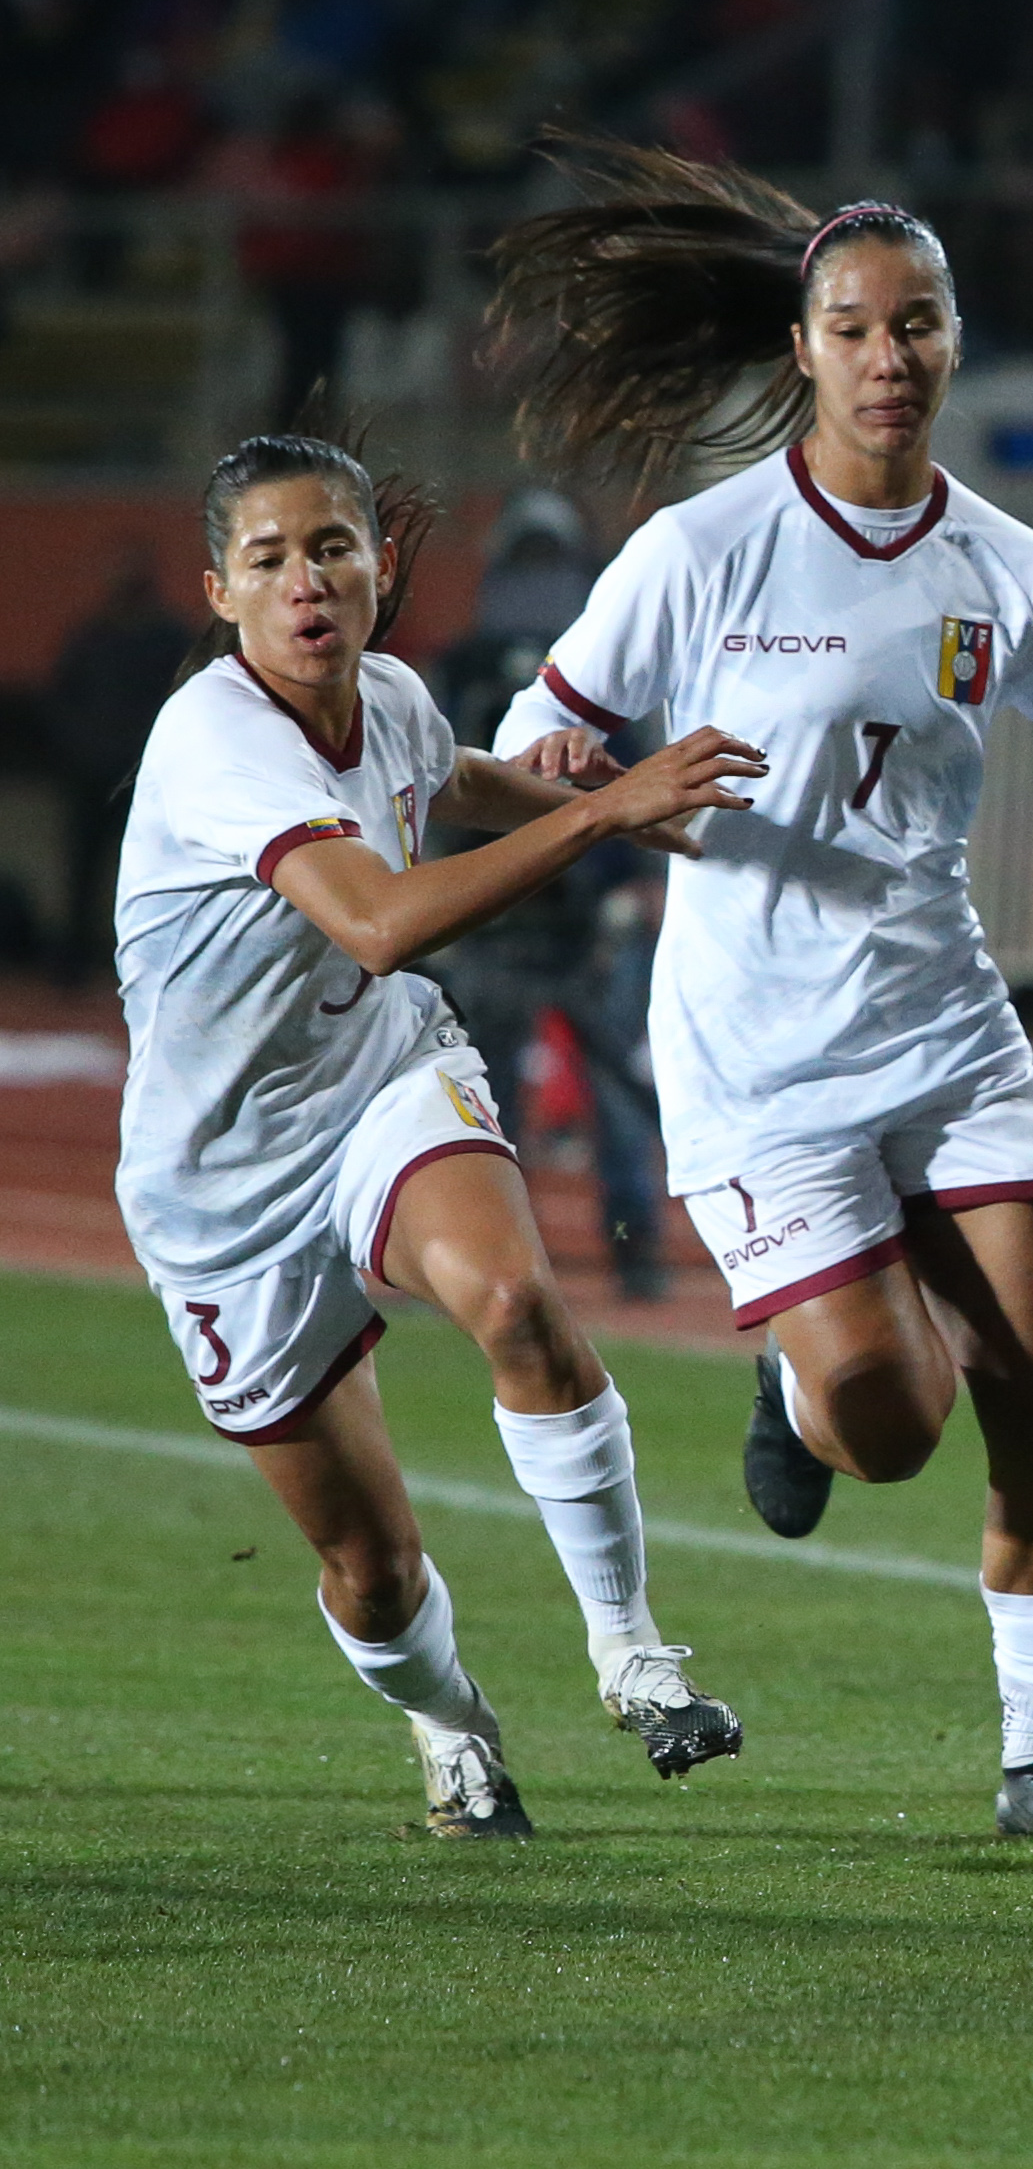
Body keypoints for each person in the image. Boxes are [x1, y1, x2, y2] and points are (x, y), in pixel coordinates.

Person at [482, 146, 1033, 1844]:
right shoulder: (701, 549)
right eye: (854, 325)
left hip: (948, 1029)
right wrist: (606, 803)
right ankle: (801, 1380)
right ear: (805, 350)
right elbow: (541, 752)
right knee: (891, 1427)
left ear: (955, 344)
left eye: (917, 323)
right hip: (759, 1054)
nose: (888, 353)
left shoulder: (1014, 572)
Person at [115, 433, 760, 1836]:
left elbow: (447, 777)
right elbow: (383, 916)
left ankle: (634, 1656)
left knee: (520, 1299)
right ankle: (449, 1717)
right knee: (372, 1565)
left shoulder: (390, 695)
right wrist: (604, 810)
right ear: (219, 590)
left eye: (332, 547)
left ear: (381, 566)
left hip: (378, 1079)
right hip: (221, 1182)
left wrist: (661, 834)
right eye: (271, 558)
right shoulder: (214, 736)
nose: (308, 581)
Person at [424, 492, 674, 1298]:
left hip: (563, 916)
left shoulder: (587, 672)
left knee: (603, 1099)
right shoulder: (486, 669)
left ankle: (625, 1249)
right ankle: (502, 1253)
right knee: (490, 1096)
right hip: (503, 910)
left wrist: (637, 882)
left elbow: (630, 778)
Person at [50, 547, 190, 983]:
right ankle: (74, 967)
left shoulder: (170, 639)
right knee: (83, 872)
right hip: (91, 776)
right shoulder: (92, 637)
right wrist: (80, 745)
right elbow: (59, 698)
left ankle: (156, 963)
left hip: (147, 778)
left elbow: (188, 697)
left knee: (156, 874)